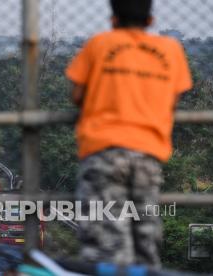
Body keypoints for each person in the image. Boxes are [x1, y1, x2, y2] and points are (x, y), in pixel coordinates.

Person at [65, 0, 192, 268]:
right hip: (148, 154)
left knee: (105, 240)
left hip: (103, 152)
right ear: (150, 20)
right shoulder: (171, 49)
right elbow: (173, 98)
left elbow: (77, 95)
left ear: (113, 19)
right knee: (145, 234)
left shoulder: (98, 44)